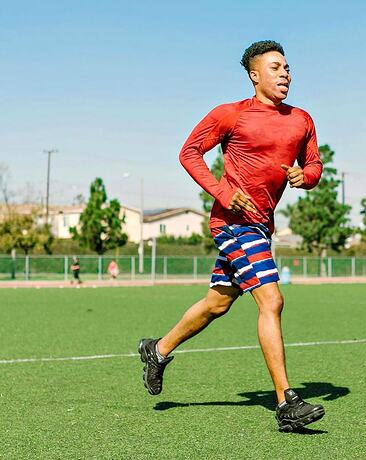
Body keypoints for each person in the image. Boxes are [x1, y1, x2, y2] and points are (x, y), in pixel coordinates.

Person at [138, 41, 325, 432]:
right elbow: (189, 152)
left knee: (216, 304)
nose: (285, 73)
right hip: (232, 222)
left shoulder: (302, 120)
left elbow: (314, 165)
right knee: (272, 300)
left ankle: (158, 350)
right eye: (275, 67)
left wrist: (304, 177)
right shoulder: (230, 114)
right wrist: (222, 192)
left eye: (287, 67)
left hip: (261, 225)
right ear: (255, 75)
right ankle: (286, 403)